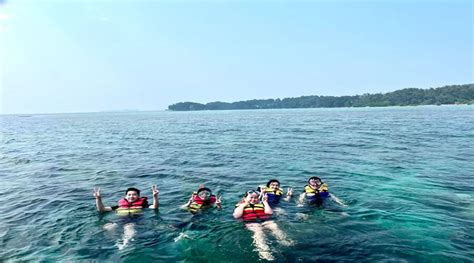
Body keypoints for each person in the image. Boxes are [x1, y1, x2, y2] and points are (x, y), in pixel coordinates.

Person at [93, 186, 159, 249]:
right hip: (120, 221)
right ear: (126, 196)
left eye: (134, 194)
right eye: (129, 195)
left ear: (138, 196)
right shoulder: (118, 207)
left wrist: (155, 197)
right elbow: (102, 209)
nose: (131, 196)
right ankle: (116, 242)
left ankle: (125, 244)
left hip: (134, 221)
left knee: (128, 227)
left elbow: (154, 207)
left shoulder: (143, 205)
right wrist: (98, 199)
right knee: (109, 226)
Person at [234, 190, 293, 261]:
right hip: (251, 222)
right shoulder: (240, 205)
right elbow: (237, 216)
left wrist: (265, 202)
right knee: (259, 231)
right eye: (251, 197)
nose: (253, 199)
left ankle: (283, 240)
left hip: (265, 220)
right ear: (245, 198)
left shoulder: (262, 204)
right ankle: (264, 250)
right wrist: (244, 205)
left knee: (274, 226)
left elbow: (269, 213)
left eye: (256, 198)